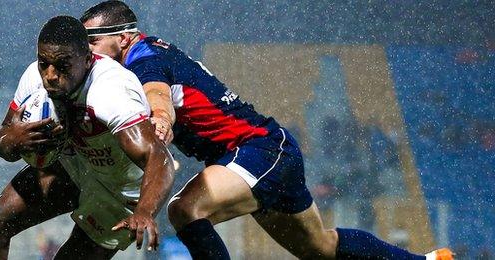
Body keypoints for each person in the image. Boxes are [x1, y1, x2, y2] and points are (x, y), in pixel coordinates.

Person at [80, 1, 454, 259]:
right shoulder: (143, 54)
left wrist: (160, 120)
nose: (89, 53)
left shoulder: (143, 58)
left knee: (185, 210)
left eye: (93, 43)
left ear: (124, 38)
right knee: (320, 249)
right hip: (268, 151)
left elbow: (157, 95)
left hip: (256, 150)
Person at [0, 15, 175, 259]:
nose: (51, 75)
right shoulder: (34, 78)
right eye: (43, 63)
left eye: (62, 65)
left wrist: (145, 210)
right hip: (74, 166)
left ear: (87, 60)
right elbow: (3, 142)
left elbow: (159, 158)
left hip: (119, 189)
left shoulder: (110, 90)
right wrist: (12, 140)